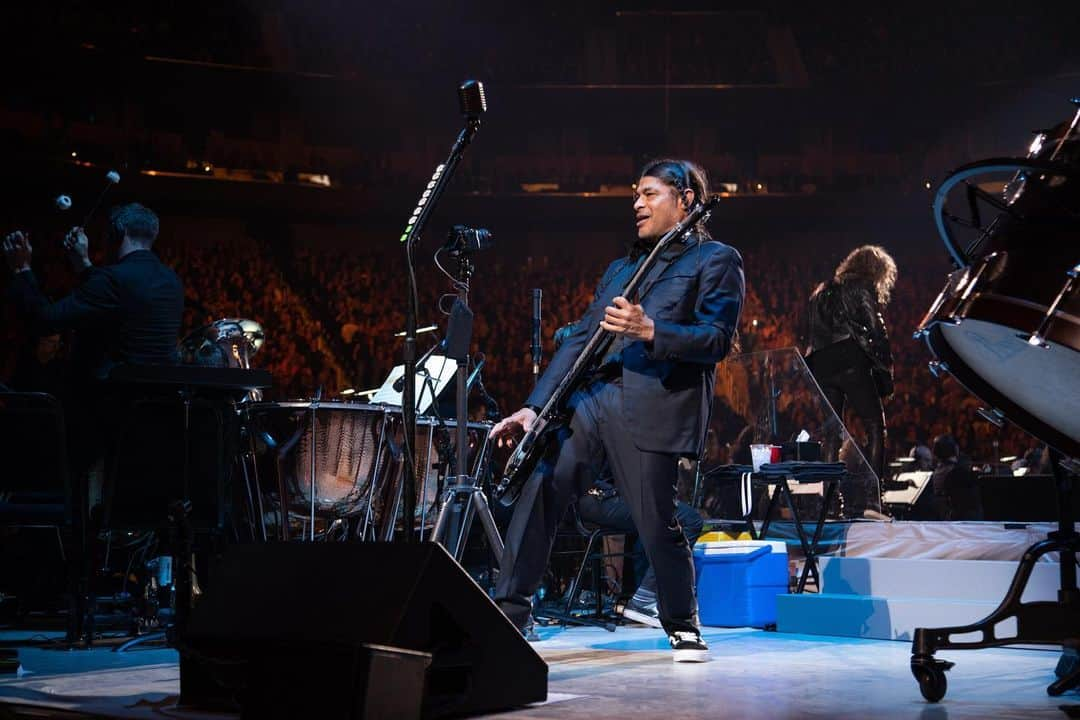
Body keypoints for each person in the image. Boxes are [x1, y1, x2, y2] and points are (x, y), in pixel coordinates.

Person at [490, 158, 745, 662]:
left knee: (656, 520)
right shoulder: (622, 269)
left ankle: (681, 622)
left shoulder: (716, 260)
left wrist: (651, 330)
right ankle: (509, 615)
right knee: (541, 488)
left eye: (650, 194)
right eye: (636, 194)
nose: (637, 204)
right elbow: (582, 338)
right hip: (589, 400)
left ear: (686, 199)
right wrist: (533, 407)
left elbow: (717, 340)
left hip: (651, 400)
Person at [804, 245, 896, 509]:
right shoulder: (861, 284)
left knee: (832, 433)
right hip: (849, 359)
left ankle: (830, 500)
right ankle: (873, 497)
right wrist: (885, 371)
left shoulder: (821, 289)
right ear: (875, 270)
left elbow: (809, 332)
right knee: (875, 425)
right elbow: (875, 330)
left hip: (821, 363)